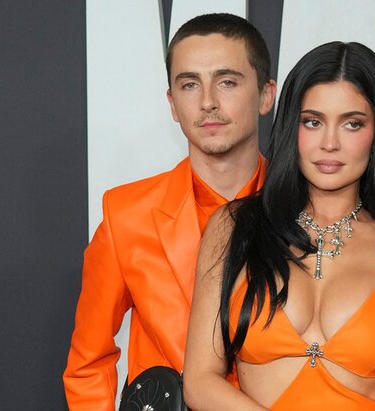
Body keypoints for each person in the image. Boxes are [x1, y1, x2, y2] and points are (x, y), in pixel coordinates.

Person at [184, 41, 375, 410]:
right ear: (292, 127)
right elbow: (200, 380)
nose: (330, 143)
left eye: (352, 124)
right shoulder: (234, 227)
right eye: (313, 122)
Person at [63, 13, 276, 410]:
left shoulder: (306, 211)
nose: (208, 102)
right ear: (173, 104)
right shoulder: (127, 215)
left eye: (227, 82)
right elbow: (87, 364)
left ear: (266, 95)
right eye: (189, 84)